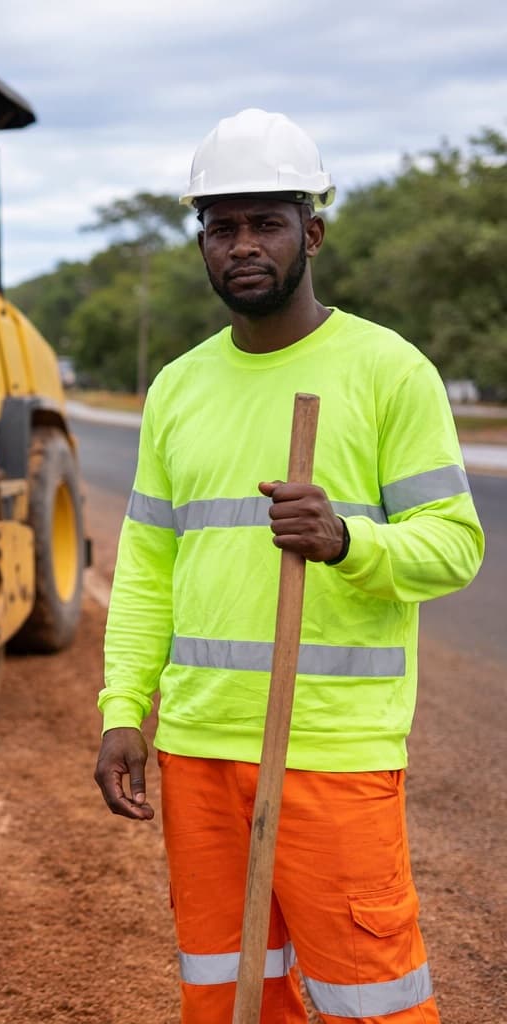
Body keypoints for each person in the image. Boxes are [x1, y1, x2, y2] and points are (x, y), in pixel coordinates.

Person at [93, 108, 485, 1023]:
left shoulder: (389, 371)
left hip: (331, 753)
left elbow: (456, 543)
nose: (242, 246)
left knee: (371, 999)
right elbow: (148, 566)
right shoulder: (178, 388)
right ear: (202, 242)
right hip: (197, 748)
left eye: (264, 222)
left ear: (310, 233)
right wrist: (123, 709)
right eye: (221, 227)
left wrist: (351, 541)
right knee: (226, 994)